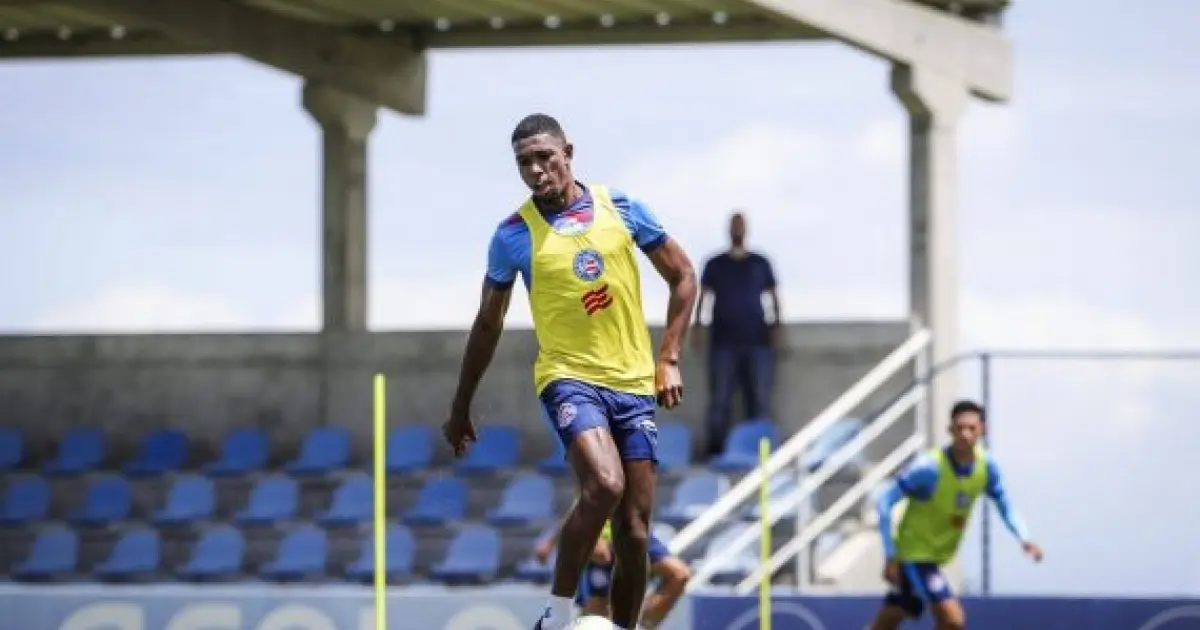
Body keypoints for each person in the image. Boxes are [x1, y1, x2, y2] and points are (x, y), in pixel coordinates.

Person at [441, 113, 698, 630]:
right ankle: (556, 615)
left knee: (634, 532)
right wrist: (461, 404)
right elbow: (488, 323)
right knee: (604, 484)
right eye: (524, 163)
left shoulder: (621, 208)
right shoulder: (513, 234)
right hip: (568, 378)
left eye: (545, 157)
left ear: (569, 153)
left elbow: (684, 275)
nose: (536, 170)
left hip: (632, 383)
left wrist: (668, 357)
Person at [867, 400, 1044, 630]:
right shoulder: (929, 467)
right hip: (914, 555)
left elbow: (1004, 503)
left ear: (983, 430)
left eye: (971, 428)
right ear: (950, 430)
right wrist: (890, 555)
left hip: (936, 556)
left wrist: (1024, 538)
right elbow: (884, 502)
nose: (965, 434)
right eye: (959, 428)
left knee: (889, 620)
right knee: (953, 619)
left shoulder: (986, 467)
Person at [693, 212, 781, 455]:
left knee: (759, 401)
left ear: (746, 229)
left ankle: (759, 453)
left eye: (741, 225)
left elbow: (773, 296)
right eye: (734, 225)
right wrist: (697, 329)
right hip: (723, 342)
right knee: (720, 401)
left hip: (757, 342)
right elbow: (703, 298)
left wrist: (777, 327)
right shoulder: (715, 264)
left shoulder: (760, 263)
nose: (737, 229)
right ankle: (716, 452)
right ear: (728, 229)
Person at [534, 520, 691, 629]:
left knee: (679, 575)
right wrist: (554, 540)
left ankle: (642, 626)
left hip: (630, 532)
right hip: (603, 535)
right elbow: (580, 507)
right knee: (599, 605)